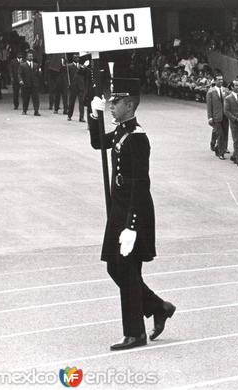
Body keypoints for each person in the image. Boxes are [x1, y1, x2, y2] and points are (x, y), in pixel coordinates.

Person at [88, 78, 175, 350]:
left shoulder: (137, 137)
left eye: (115, 103)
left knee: (126, 268)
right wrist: (95, 115)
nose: (111, 106)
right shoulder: (122, 132)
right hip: (120, 210)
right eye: (110, 103)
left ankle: (135, 332)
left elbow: (140, 184)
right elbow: (98, 143)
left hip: (133, 214)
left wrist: (131, 226)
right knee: (115, 267)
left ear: (129, 104)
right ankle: (158, 306)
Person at [223, 79, 238, 167]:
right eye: (236, 85)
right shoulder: (228, 98)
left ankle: (235, 155)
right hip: (234, 123)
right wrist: (235, 119)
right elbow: (226, 111)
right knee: (236, 140)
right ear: (232, 87)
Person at [205, 75, 228, 159]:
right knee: (220, 134)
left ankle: (220, 147)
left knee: (225, 134)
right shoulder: (211, 92)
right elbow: (209, 106)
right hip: (216, 116)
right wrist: (210, 117)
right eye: (218, 80)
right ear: (215, 81)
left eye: (222, 79)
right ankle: (221, 152)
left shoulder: (226, 90)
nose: (221, 81)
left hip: (225, 116)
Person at [19, 51, 41, 116]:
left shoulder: (36, 65)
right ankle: (24, 110)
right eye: (29, 56)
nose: (31, 57)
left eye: (31, 56)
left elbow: (38, 75)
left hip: (34, 84)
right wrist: (20, 80)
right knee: (26, 98)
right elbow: (19, 74)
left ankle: (36, 111)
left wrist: (38, 81)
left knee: (36, 98)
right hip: (26, 84)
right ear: (26, 57)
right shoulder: (22, 65)